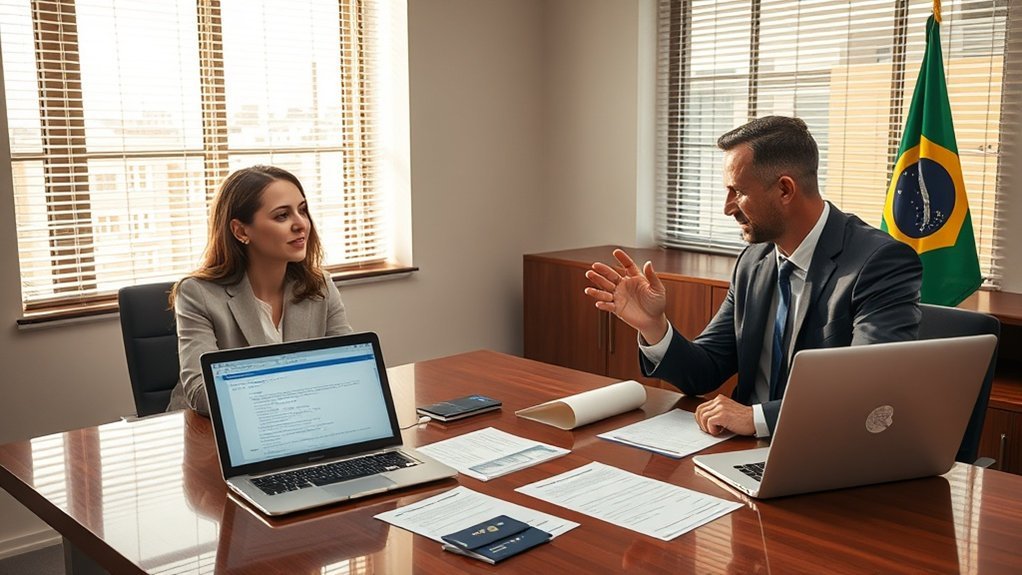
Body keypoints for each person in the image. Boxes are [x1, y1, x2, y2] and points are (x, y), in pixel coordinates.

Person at [584, 116, 922, 437]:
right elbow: (705, 371)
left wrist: (757, 418)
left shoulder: (879, 262)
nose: (727, 207)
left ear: (785, 190)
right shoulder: (754, 260)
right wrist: (653, 326)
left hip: (823, 448)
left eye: (738, 192)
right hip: (738, 446)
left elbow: (869, 389)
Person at [167, 165, 354, 415]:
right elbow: (201, 392)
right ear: (241, 231)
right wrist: (306, 387)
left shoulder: (320, 286)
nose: (301, 224)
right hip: (210, 428)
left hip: (300, 420)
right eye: (282, 216)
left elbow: (349, 369)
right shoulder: (197, 294)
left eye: (302, 210)